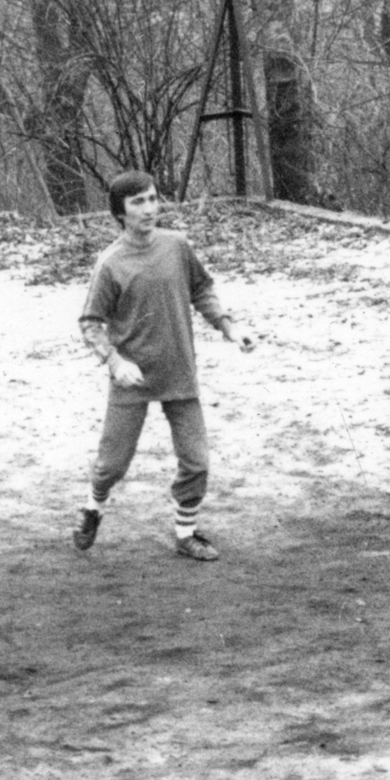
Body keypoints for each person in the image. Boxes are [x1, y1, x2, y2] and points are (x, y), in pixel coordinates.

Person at [72, 170, 253, 561]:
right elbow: (90, 323)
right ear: (119, 212)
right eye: (138, 202)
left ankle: (186, 533)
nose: (149, 209)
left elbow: (201, 288)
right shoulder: (110, 264)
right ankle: (93, 506)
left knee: (197, 461)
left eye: (153, 199)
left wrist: (228, 326)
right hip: (132, 378)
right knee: (111, 465)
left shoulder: (177, 246)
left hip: (178, 370)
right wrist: (114, 361)